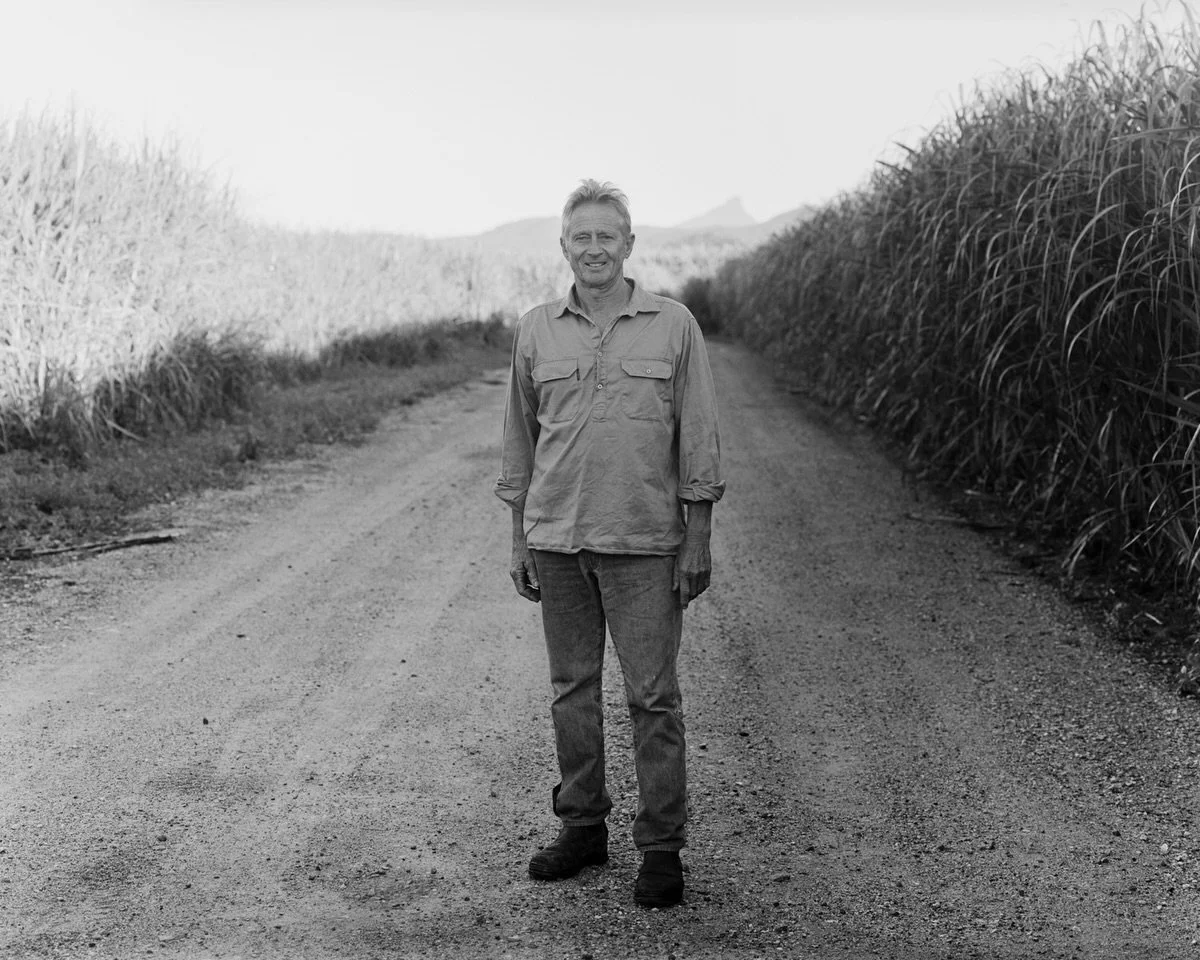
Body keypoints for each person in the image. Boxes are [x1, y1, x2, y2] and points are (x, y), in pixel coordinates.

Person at [494, 179, 724, 908]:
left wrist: (698, 538)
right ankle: (583, 828)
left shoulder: (673, 324)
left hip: (645, 542)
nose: (593, 248)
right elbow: (519, 441)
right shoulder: (536, 329)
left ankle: (660, 848)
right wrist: (519, 537)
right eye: (580, 237)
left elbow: (698, 435)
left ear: (629, 245)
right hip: (558, 541)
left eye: (607, 236)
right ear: (563, 247)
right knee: (572, 692)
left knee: (653, 697)